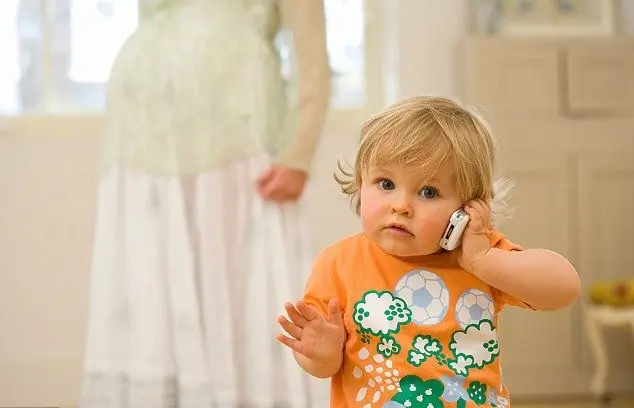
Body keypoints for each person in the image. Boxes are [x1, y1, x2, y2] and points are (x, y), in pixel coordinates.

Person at [80, 0, 330, 407]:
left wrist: (298, 154)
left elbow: (313, 58)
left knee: (231, 278)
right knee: (156, 270)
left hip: (238, 132)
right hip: (144, 136)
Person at [277, 96, 581, 408]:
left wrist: (484, 262)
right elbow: (323, 367)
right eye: (385, 183)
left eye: (428, 192)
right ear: (360, 183)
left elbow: (565, 288)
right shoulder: (338, 262)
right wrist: (322, 354)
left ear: (467, 208)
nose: (401, 206)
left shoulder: (479, 255)